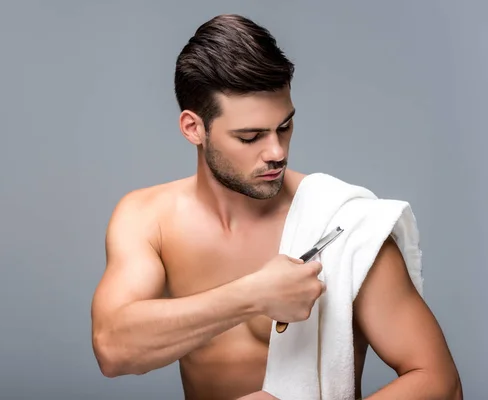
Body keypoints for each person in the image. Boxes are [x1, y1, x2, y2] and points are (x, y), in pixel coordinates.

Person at [91, 14, 462, 400]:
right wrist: (252, 295)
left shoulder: (342, 225)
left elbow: (441, 383)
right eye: (250, 136)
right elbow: (113, 349)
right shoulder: (149, 219)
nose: (276, 152)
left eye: (284, 127)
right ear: (193, 128)